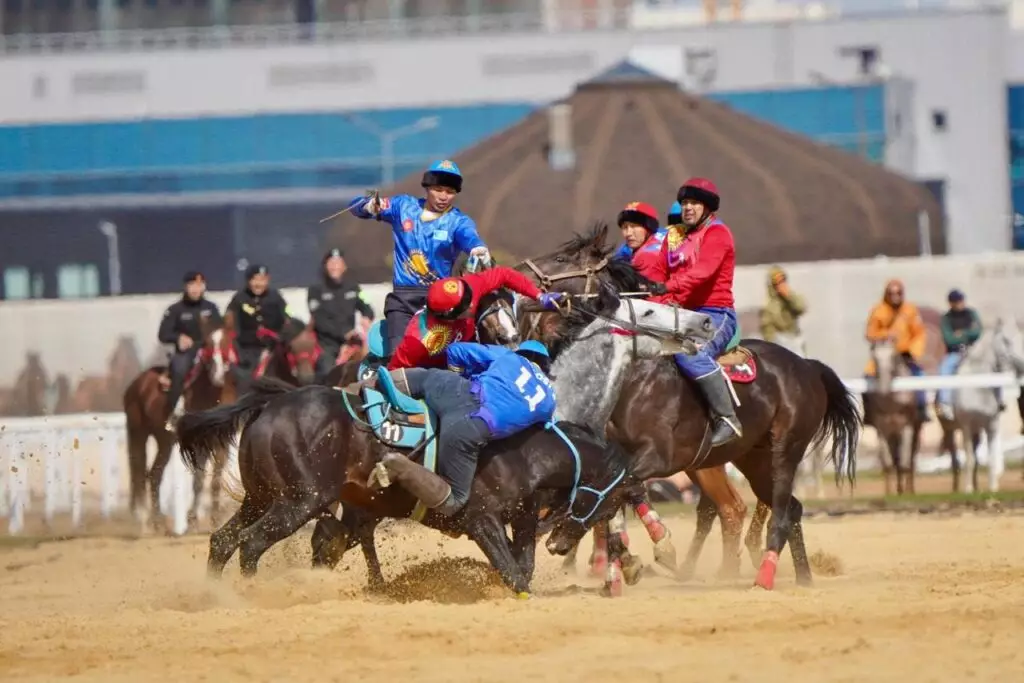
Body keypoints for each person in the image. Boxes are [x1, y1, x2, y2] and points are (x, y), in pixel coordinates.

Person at [371, 340, 556, 516]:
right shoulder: (549, 399)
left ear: (522, 353)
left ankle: (358, 389)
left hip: (455, 388)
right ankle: (400, 466)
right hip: (471, 426)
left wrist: (458, 376)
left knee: (407, 379)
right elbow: (543, 434)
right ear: (545, 367)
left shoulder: (508, 356)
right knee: (456, 501)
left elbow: (455, 350)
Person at [348, 160, 491, 358]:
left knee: (445, 358)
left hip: (440, 302)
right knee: (398, 356)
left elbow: (469, 236)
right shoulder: (403, 207)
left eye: (449, 192)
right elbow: (354, 206)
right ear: (428, 187)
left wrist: (477, 247)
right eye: (438, 189)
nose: (443, 196)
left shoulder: (458, 221)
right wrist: (368, 205)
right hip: (403, 300)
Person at [644, 178, 742, 448]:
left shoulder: (718, 234)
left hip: (715, 314)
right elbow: (655, 273)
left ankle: (727, 418)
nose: (687, 208)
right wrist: (638, 289)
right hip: (680, 314)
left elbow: (702, 273)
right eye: (685, 202)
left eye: (694, 203)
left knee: (692, 354)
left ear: (708, 207)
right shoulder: (674, 235)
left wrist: (666, 287)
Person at [388, 266, 562, 370]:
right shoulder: (420, 339)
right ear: (448, 316)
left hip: (468, 352)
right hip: (437, 370)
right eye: (465, 305)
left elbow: (504, 274)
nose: (472, 303)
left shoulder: (469, 286)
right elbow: (396, 370)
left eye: (469, 296)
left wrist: (538, 295)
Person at [157, 271, 222, 430]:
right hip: (186, 352)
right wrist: (178, 338)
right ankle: (173, 412)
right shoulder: (175, 310)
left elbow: (219, 330)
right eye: (192, 285)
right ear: (186, 287)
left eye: (200, 285)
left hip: (208, 351)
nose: (196, 289)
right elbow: (163, 334)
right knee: (179, 370)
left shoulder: (211, 308)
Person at [864, 279, 930, 422]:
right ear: (886, 294)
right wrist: (886, 335)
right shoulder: (878, 311)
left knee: (919, 376)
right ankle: (868, 414)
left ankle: (921, 409)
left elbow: (919, 333)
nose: (895, 296)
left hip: (905, 354)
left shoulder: (910, 310)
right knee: (867, 378)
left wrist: (912, 352)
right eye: (891, 293)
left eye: (898, 293)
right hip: (884, 354)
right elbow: (870, 333)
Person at [307, 248, 376, 381]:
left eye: (338, 263)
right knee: (328, 372)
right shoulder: (315, 291)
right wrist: (344, 333)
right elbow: (319, 320)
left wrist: (367, 316)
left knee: (369, 368)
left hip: (351, 343)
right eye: (331, 263)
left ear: (344, 266)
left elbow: (365, 305)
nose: (335, 267)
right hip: (327, 344)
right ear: (325, 266)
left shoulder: (352, 287)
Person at [226, 264, 290, 393]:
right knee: (245, 382)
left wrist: (280, 338)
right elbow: (232, 327)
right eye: (255, 279)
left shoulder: (276, 297)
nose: (259, 284)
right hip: (247, 350)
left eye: (262, 279)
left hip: (273, 349)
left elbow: (287, 320)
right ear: (249, 280)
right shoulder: (239, 298)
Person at [936, 289, 987, 419]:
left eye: (961, 300)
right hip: (956, 352)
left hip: (973, 350)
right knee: (944, 368)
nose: (959, 303)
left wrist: (962, 333)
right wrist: (967, 334)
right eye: (956, 301)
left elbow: (978, 331)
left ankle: (998, 399)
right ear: (950, 303)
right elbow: (949, 338)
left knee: (991, 366)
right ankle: (945, 402)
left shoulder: (971, 314)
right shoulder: (946, 318)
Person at [759, 265, 808, 356]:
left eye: (783, 280)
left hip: (795, 339)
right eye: (777, 282)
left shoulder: (792, 298)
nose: (781, 284)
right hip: (780, 345)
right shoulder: (769, 306)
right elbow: (767, 331)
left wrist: (789, 296)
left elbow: (801, 308)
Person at [611, 201, 667, 281]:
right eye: (625, 227)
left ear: (649, 228)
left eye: (634, 226)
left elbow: (646, 293)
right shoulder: (660, 239)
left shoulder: (647, 256)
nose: (628, 233)